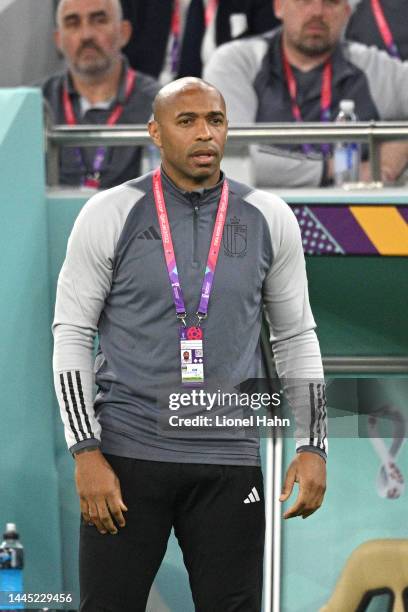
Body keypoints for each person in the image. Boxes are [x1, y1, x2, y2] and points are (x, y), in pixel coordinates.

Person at [53, 77, 327, 611]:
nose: (204, 133)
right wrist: (85, 451)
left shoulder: (271, 217)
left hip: (230, 462)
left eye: (215, 120)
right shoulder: (109, 213)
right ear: (155, 131)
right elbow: (72, 334)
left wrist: (314, 444)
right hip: (127, 459)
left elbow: (296, 336)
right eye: (187, 121)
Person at [204, 0, 408, 187]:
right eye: (305, 1)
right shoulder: (237, 62)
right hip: (261, 218)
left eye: (331, 2)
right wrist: (337, 169)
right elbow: (231, 160)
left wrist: (401, 145)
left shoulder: (372, 67)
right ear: (278, 7)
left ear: (347, 13)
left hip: (357, 222)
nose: (317, 12)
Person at [43, 0, 160, 189]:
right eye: (73, 23)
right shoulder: (37, 105)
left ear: (124, 32)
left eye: (99, 20)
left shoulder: (160, 104)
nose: (86, 35)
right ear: (58, 40)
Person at [120, 0, 280, 84]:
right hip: (153, 105)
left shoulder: (258, 3)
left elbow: (267, 65)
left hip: (225, 106)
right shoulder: (137, 4)